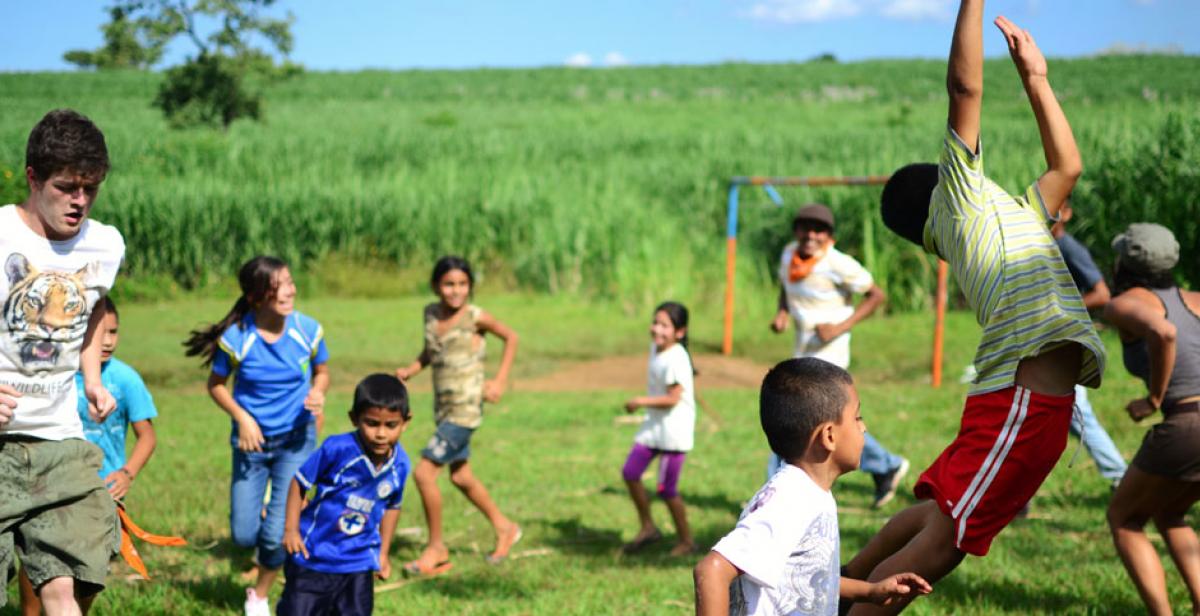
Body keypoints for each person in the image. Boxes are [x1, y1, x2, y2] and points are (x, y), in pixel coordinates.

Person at [850, 2, 1106, 611]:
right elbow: (964, 85)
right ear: (942, 186)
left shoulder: (1015, 216)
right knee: (942, 546)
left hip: (1027, 404)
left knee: (934, 521)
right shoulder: (959, 205)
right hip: (1023, 405)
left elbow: (1066, 166)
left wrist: (1037, 81)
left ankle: (826, 592)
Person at [1, 109, 124, 615]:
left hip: (60, 442)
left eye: (90, 188)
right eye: (66, 186)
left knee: (67, 587)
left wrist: (91, 377)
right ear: (33, 177)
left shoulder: (104, 244)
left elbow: (94, 309)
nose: (79, 201)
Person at [693, 358, 931, 615]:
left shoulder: (810, 493)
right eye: (857, 418)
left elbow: (807, 578)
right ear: (828, 436)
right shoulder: (791, 500)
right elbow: (712, 570)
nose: (864, 427)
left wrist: (869, 592)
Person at [183, 255, 330, 616]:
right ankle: (274, 520)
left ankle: (260, 595)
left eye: (290, 282)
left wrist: (319, 392)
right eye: (278, 285)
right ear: (256, 296)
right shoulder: (238, 339)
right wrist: (242, 418)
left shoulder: (308, 330)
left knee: (277, 533)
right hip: (252, 445)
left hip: (296, 442)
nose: (289, 290)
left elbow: (322, 372)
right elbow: (216, 385)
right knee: (245, 534)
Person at [18, 296, 158, 615]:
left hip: (102, 491)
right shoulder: (54, 375)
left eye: (114, 332)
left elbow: (147, 436)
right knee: (36, 553)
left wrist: (127, 473)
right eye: (100, 333)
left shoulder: (125, 379)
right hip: (50, 483)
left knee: (88, 573)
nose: (107, 341)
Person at [768, 203, 908, 508]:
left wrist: (839, 327)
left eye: (818, 229)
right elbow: (785, 286)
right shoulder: (789, 255)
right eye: (805, 227)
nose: (811, 235)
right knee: (817, 424)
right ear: (796, 230)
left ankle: (775, 493)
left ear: (829, 235)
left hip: (830, 358)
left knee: (799, 422)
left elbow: (877, 295)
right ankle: (887, 465)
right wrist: (781, 312)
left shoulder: (839, 263)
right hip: (803, 355)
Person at [395, 255, 521, 575]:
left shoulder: (476, 317)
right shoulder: (430, 314)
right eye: (449, 284)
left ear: (470, 287)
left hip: (465, 410)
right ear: (437, 285)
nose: (456, 291)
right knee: (461, 476)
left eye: (463, 284)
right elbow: (432, 350)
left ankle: (436, 547)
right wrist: (413, 367)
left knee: (424, 474)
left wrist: (500, 379)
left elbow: (511, 337)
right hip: (443, 408)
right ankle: (505, 527)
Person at [1103, 223, 1200, 616]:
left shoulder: (1122, 305)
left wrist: (1154, 399)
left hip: (1186, 423)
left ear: (1125, 262)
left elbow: (1163, 333)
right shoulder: (1195, 298)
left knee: (1123, 518)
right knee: (1168, 511)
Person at [279, 373, 412, 616]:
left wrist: (383, 553)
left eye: (390, 425)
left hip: (358, 562)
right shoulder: (337, 449)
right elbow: (299, 482)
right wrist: (291, 529)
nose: (381, 434)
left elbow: (393, 504)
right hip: (314, 556)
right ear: (354, 418)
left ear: (405, 422)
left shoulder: (401, 464)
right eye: (372, 423)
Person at [1051, 199, 1126, 488]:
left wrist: (1064, 309)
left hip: (1068, 341)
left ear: (1067, 214)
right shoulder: (1043, 246)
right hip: (1053, 341)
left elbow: (1101, 294)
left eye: (1056, 208)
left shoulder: (1070, 249)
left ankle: (1121, 476)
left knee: (1078, 415)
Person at [621, 301, 697, 557]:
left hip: (674, 432)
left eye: (665, 325)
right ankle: (648, 527)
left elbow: (673, 399)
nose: (657, 329)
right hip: (654, 426)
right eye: (656, 322)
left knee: (666, 489)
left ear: (680, 332)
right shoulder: (657, 348)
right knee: (631, 472)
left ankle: (687, 540)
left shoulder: (676, 357)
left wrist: (640, 401)